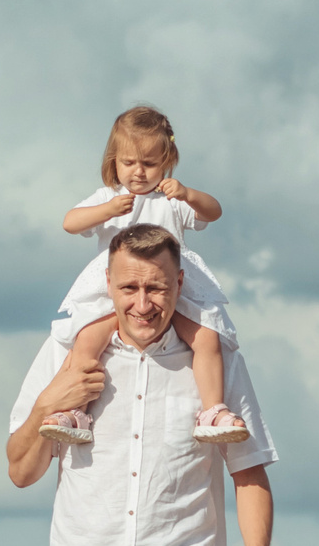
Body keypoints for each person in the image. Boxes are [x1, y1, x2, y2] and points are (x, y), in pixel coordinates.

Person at [6, 224, 277, 546]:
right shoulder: (66, 355)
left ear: (179, 282)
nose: (144, 303)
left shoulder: (215, 362)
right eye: (130, 288)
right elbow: (22, 471)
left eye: (156, 288)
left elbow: (249, 468)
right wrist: (51, 401)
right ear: (107, 284)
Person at [40, 105, 248, 446]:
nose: (138, 172)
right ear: (114, 162)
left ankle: (213, 409)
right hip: (117, 293)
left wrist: (188, 194)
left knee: (206, 337)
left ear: (166, 162)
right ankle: (76, 410)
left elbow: (214, 211)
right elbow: (70, 222)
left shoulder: (171, 199)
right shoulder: (109, 197)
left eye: (149, 164)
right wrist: (106, 210)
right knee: (89, 338)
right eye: (128, 163)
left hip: (170, 288)